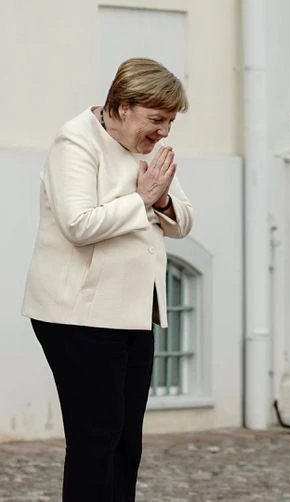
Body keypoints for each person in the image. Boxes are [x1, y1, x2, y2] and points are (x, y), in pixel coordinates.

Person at [22, 58, 194, 501]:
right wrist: (144, 199)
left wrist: (161, 199)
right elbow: (79, 224)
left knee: (125, 443)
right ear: (121, 106)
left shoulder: (141, 149)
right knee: (96, 439)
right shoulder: (75, 142)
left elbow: (183, 220)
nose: (164, 132)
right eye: (157, 119)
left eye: (170, 121)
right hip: (78, 315)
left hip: (133, 313)